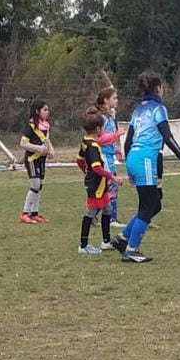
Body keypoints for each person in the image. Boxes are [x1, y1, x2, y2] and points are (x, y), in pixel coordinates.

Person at [111, 72, 180, 263]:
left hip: (134, 157)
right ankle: (131, 250)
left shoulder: (138, 109)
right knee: (151, 205)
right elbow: (168, 137)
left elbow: (129, 139)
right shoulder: (158, 108)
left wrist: (129, 166)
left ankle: (122, 239)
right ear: (158, 88)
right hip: (146, 159)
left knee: (151, 203)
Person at [76, 109, 124, 254]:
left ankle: (106, 242)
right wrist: (112, 176)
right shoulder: (93, 146)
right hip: (96, 184)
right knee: (91, 212)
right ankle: (83, 245)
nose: (103, 130)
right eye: (103, 127)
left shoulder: (85, 141)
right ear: (98, 128)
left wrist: (85, 170)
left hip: (98, 183)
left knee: (107, 208)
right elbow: (97, 167)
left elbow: (79, 160)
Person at [18, 100, 54, 224]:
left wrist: (50, 151)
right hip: (32, 159)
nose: (47, 112)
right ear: (38, 111)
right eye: (44, 110)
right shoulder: (31, 126)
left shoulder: (46, 126)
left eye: (47, 109)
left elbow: (46, 141)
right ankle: (25, 212)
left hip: (41, 160)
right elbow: (23, 143)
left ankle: (34, 213)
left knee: (40, 186)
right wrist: (39, 149)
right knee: (35, 185)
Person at [95, 87, 125, 227]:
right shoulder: (101, 118)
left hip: (109, 155)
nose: (116, 100)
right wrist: (117, 135)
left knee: (107, 187)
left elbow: (109, 140)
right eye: (114, 98)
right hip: (102, 157)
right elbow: (99, 139)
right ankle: (111, 218)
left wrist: (116, 149)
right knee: (110, 186)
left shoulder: (110, 118)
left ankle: (95, 216)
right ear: (106, 100)